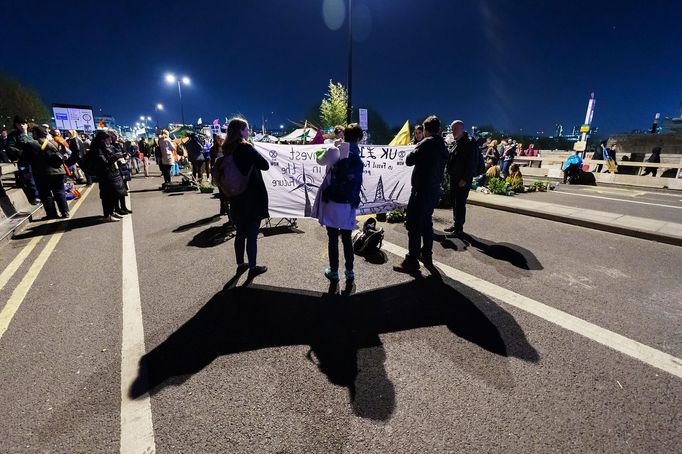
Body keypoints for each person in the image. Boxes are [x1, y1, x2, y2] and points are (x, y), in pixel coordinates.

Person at [393, 115, 448, 273]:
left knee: (413, 224)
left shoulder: (426, 143)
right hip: (433, 190)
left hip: (421, 190)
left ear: (426, 129)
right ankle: (427, 254)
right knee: (426, 223)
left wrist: (416, 148)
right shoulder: (441, 144)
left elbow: (410, 160)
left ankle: (412, 260)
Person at [312, 123, 364, 282]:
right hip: (349, 201)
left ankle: (334, 272)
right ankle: (349, 271)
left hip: (332, 199)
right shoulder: (358, 154)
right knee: (347, 238)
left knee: (333, 237)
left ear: (343, 135)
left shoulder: (334, 151)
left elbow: (319, 159)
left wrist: (330, 146)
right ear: (360, 138)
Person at [223, 118, 269, 278]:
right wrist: (254, 150)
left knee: (240, 233)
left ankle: (240, 264)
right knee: (252, 235)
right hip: (252, 197)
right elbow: (265, 164)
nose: (249, 132)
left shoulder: (227, 148)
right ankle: (253, 266)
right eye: (247, 129)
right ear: (241, 131)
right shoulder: (246, 148)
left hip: (235, 196)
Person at [25, 126, 69, 219]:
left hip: (42, 173)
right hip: (59, 171)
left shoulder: (31, 144)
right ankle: (65, 212)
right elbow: (66, 154)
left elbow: (25, 159)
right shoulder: (55, 142)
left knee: (46, 194)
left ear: (35, 134)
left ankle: (52, 214)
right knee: (60, 192)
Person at [443, 120, 477, 237]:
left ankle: (459, 229)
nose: (453, 131)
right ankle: (456, 224)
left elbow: (471, 163)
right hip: (455, 177)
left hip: (462, 180)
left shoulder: (469, 142)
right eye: (452, 129)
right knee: (455, 202)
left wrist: (465, 179)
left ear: (462, 129)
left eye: (455, 129)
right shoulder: (458, 141)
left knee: (460, 203)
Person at [89, 131, 125, 222]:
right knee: (107, 196)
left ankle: (112, 212)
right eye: (108, 138)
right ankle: (107, 215)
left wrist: (118, 160)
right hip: (105, 175)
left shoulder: (105, 147)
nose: (110, 140)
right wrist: (115, 157)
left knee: (112, 195)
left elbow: (109, 160)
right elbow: (104, 162)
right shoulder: (98, 148)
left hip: (111, 173)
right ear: (103, 139)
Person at [6, 116, 40, 204]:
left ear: (27, 124)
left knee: (38, 178)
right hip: (24, 161)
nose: (22, 126)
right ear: (16, 125)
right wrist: (19, 152)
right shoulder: (13, 135)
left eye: (23, 124)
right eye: (19, 124)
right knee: (29, 179)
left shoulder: (31, 134)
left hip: (36, 160)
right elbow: (9, 147)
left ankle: (41, 195)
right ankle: (35, 196)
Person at [210, 134, 230, 217]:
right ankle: (223, 209)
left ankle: (228, 210)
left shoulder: (228, 148)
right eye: (219, 139)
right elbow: (212, 162)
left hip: (228, 172)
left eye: (222, 139)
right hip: (219, 172)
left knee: (228, 192)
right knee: (222, 192)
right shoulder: (213, 149)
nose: (220, 141)